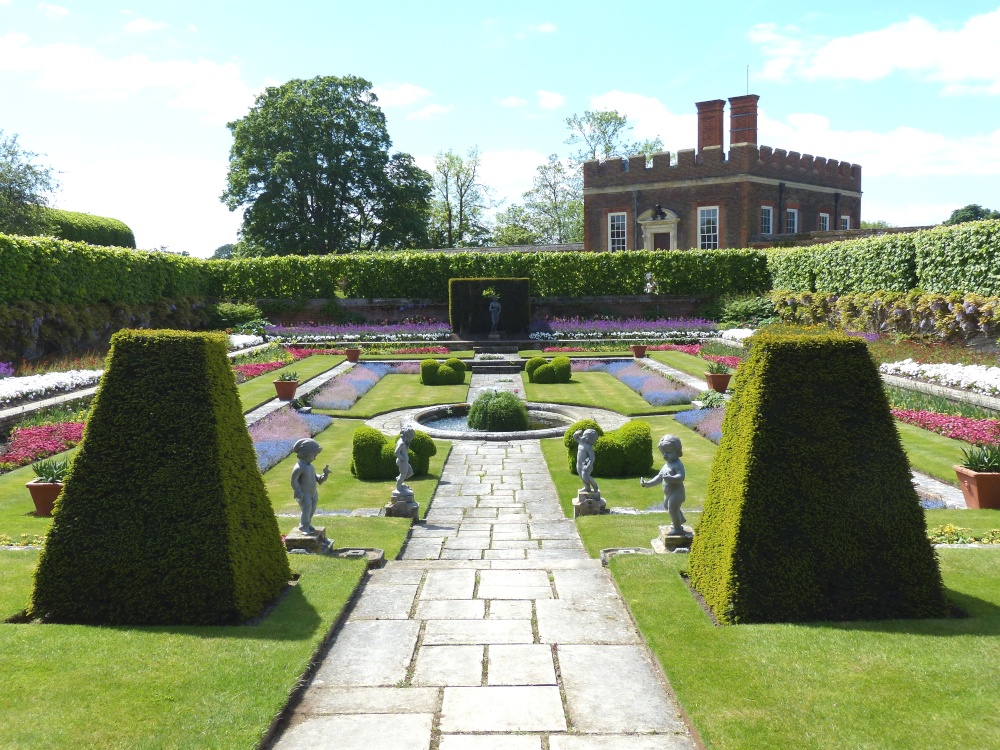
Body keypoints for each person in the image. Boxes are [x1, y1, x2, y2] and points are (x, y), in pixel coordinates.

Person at [641, 434, 688, 535]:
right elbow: (659, 477)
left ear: (677, 451)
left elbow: (681, 476)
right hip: (669, 493)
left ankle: (677, 529)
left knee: (672, 509)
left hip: (677, 493)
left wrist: (671, 478)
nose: (665, 455)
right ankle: (680, 519)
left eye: (668, 452)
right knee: (667, 506)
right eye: (663, 452)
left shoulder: (677, 464)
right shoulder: (666, 465)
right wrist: (648, 483)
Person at [290, 438, 330, 533]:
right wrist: (298, 491)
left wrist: (324, 475)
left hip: (313, 493)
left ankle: (307, 523)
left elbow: (315, 477)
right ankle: (304, 526)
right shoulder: (299, 468)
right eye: (314, 455)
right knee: (306, 509)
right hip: (305, 494)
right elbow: (293, 481)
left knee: (312, 509)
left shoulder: (310, 466)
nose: (315, 458)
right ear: (306, 454)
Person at [573, 428, 600, 494]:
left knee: (585, 476)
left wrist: (589, 464)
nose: (583, 437)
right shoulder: (581, 442)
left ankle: (595, 486)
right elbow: (575, 438)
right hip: (579, 464)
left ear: (588, 438)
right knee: (581, 476)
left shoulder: (588, 447)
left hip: (586, 465)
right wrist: (576, 434)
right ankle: (587, 487)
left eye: (585, 436)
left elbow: (592, 457)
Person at [395, 426, 415, 495]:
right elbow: (396, 452)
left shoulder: (403, 441)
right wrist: (401, 458)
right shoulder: (402, 443)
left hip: (404, 461)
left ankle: (400, 480)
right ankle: (399, 488)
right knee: (403, 474)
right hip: (402, 462)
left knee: (410, 472)